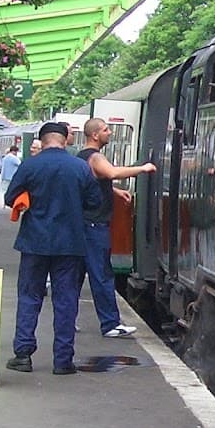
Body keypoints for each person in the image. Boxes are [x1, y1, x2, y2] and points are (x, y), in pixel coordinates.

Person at [2, 121, 100, 375]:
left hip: (34, 242)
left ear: (41, 139)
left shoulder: (30, 165)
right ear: (66, 139)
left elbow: (10, 197)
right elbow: (94, 201)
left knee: (29, 297)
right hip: (70, 244)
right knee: (66, 300)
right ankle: (63, 360)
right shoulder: (79, 167)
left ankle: (23, 354)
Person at [77, 117, 156, 338]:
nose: (110, 132)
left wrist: (114, 192)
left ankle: (67, 318)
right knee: (102, 274)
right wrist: (142, 168)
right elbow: (111, 173)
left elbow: (95, 182)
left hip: (84, 223)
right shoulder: (95, 157)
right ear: (94, 135)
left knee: (75, 276)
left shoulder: (81, 158)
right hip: (95, 225)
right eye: (105, 129)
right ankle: (110, 324)